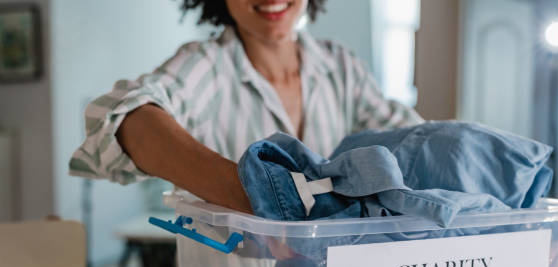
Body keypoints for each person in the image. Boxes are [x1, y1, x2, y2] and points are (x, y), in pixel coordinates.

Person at [69, 0, 423, 214]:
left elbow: (417, 145)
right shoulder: (206, 67)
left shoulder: (343, 67)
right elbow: (119, 118)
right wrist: (250, 192)